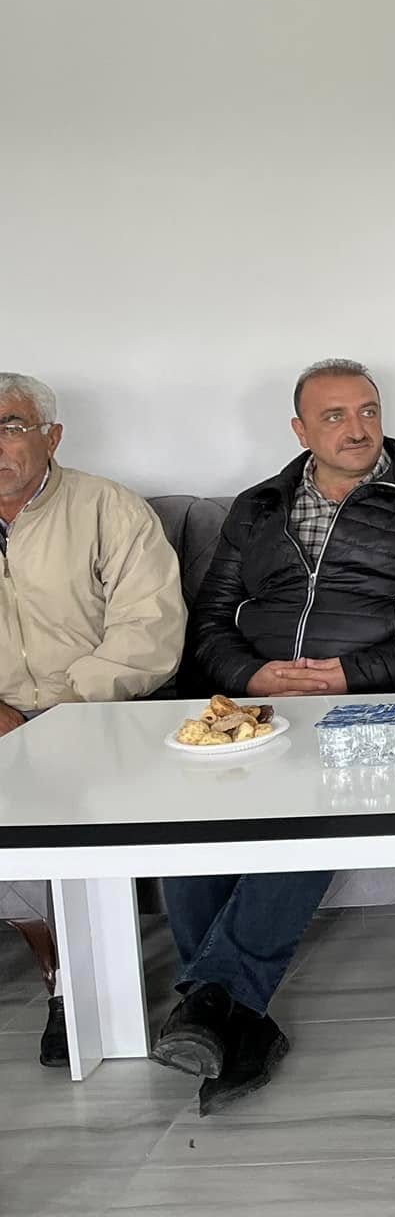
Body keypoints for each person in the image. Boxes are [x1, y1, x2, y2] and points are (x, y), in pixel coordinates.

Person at [175, 359, 395, 1110]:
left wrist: (352, 675)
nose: (357, 428)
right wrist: (252, 677)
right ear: (300, 430)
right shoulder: (259, 507)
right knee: (186, 820)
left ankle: (211, 1003)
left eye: (368, 411)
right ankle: (233, 1019)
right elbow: (211, 621)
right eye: (335, 416)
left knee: (319, 804)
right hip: (261, 704)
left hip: (382, 703)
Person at [0, 372, 186, 1067]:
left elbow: (149, 633)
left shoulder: (108, 508)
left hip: (97, 713)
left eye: (10, 426)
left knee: (64, 794)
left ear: (51, 437)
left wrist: (63, 713)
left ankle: (73, 989)